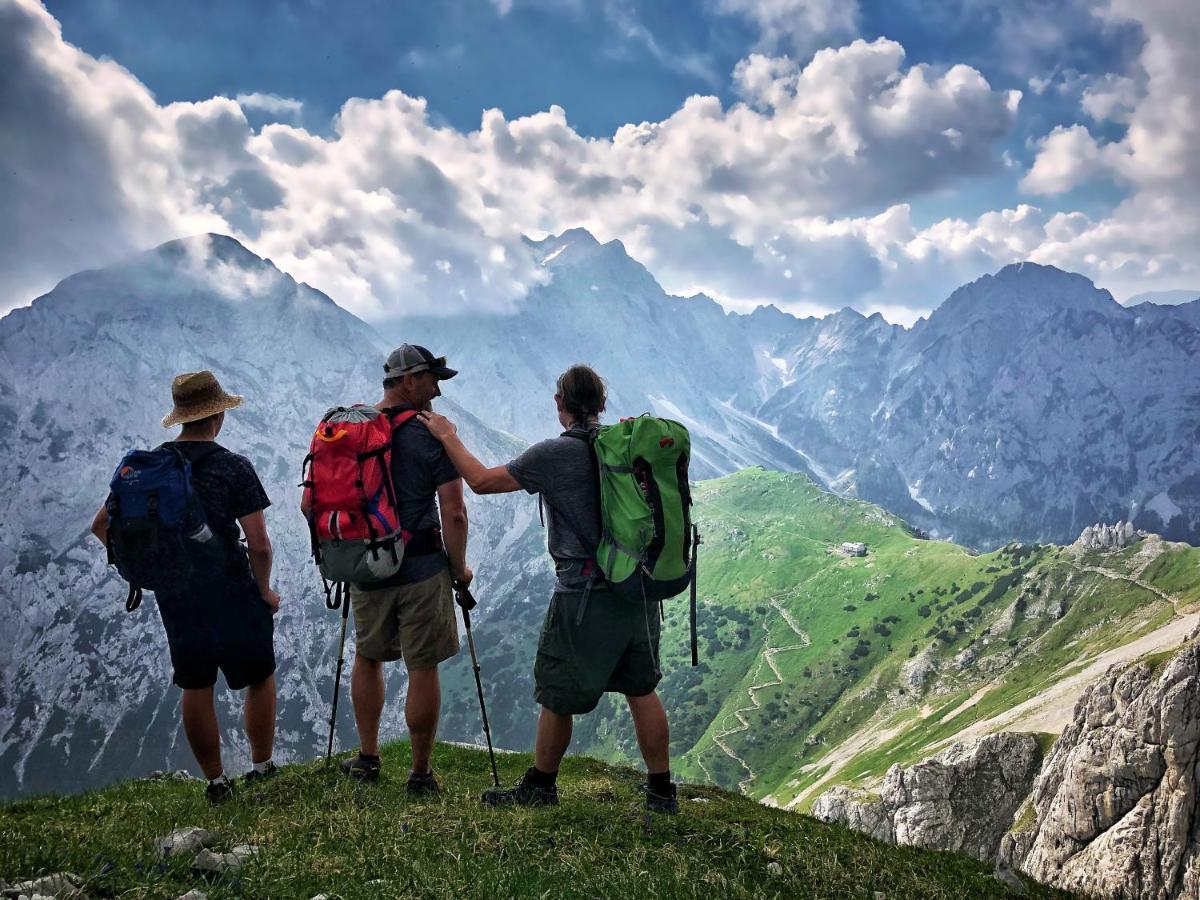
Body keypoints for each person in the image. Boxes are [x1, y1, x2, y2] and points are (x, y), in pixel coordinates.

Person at [420, 364, 678, 814]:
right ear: (601, 404)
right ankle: (661, 792)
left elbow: (481, 482)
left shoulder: (554, 456)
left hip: (583, 595)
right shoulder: (626, 449)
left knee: (556, 695)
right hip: (638, 588)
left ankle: (540, 787)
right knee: (642, 689)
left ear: (559, 404)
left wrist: (447, 435)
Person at [90, 371, 280, 804]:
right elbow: (260, 544)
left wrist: (141, 569)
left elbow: (101, 525)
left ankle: (215, 783)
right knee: (259, 675)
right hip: (231, 587)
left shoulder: (149, 467)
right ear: (217, 415)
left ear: (180, 417)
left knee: (195, 684)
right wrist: (264, 591)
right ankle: (261, 766)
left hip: (176, 592)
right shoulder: (233, 466)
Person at [337, 344, 471, 794]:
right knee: (423, 666)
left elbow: (309, 501)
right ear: (410, 380)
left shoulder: (349, 429)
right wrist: (459, 569)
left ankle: (368, 758)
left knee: (367, 656)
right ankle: (419, 773)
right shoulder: (431, 435)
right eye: (433, 379)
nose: (437, 389)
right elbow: (454, 512)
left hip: (365, 568)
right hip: (421, 567)